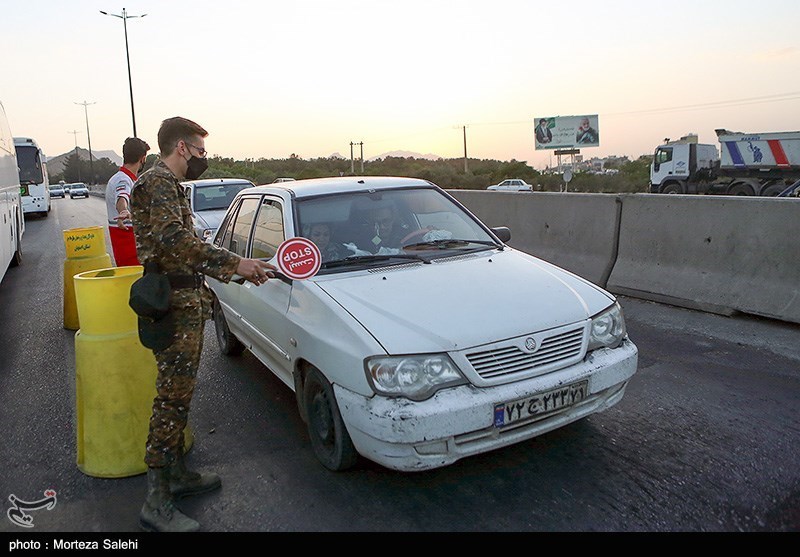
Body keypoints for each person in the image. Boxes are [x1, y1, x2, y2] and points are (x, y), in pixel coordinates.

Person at [130, 116, 277, 532]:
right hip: (174, 302)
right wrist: (236, 264)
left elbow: (187, 245)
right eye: (200, 151)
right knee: (171, 399)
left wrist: (237, 268)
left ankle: (176, 476)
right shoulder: (157, 182)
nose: (203, 159)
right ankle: (156, 500)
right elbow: (175, 242)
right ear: (182, 148)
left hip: (186, 296)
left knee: (181, 393)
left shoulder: (167, 184)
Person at [105, 137, 150, 267]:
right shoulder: (123, 180)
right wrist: (123, 210)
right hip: (130, 249)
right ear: (142, 158)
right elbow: (122, 197)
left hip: (126, 249)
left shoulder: (122, 178)